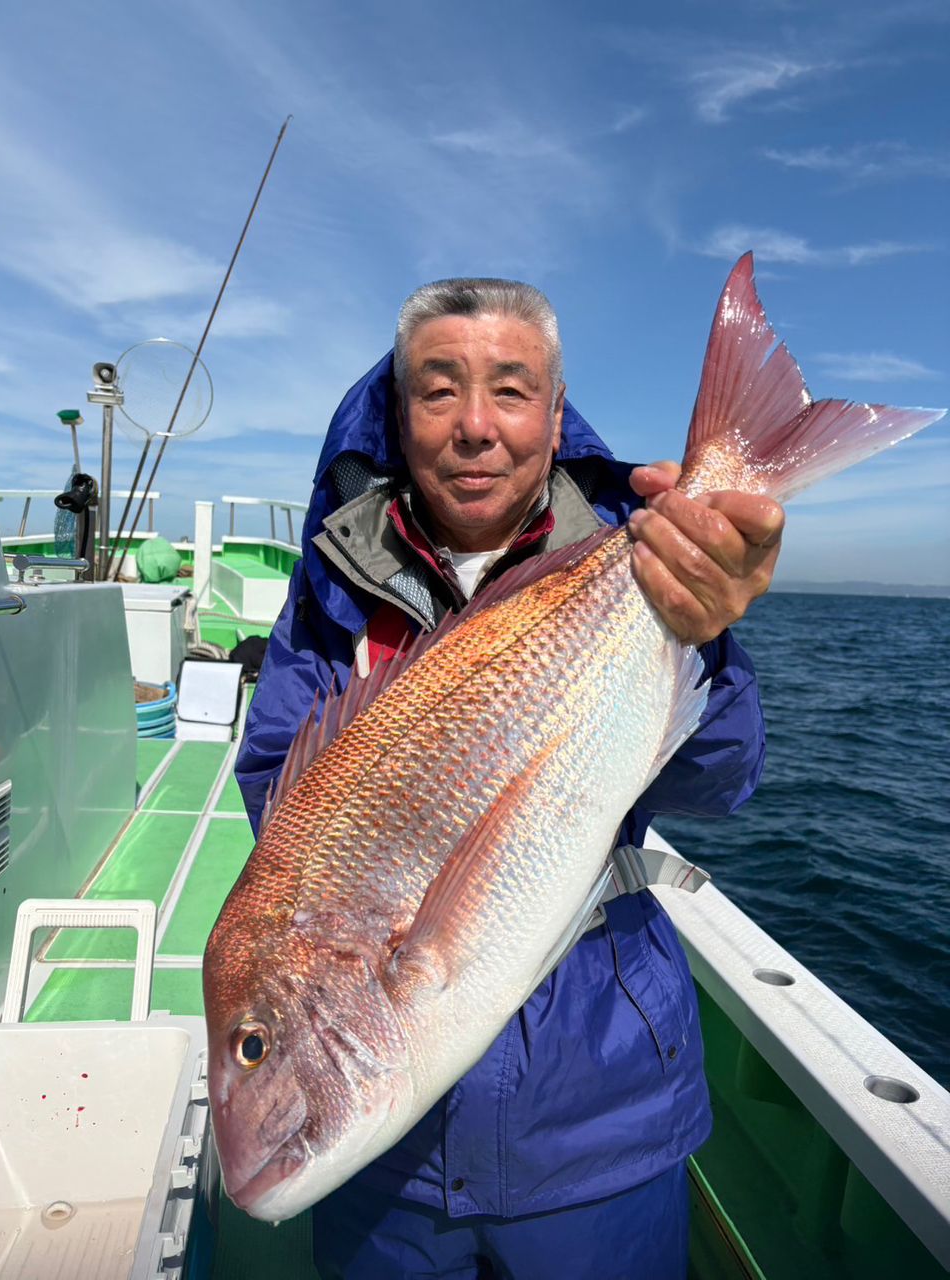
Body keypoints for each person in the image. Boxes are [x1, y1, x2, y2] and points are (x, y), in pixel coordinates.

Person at [235, 278, 784, 1279]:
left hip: (599, 1123)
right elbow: (281, 789)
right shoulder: (329, 590)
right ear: (401, 414)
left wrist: (706, 638)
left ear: (557, 409)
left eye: (512, 390)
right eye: (438, 390)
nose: (476, 426)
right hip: (386, 1170)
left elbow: (721, 780)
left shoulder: (637, 564)